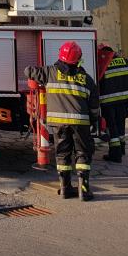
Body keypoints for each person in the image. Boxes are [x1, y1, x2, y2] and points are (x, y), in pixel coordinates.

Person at [24, 41, 99, 201]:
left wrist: (36, 78)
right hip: (81, 124)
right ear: (78, 59)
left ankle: (65, 189)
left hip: (58, 124)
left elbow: (28, 70)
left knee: (63, 154)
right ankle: (84, 191)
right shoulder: (87, 79)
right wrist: (94, 122)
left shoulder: (49, 72)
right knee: (83, 154)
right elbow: (94, 107)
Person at [97, 44, 128, 163]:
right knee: (120, 124)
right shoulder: (123, 61)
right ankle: (121, 149)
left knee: (111, 126)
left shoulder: (101, 63)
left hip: (108, 102)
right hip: (124, 100)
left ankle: (115, 154)